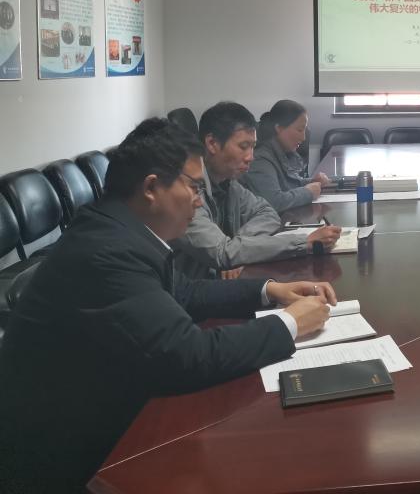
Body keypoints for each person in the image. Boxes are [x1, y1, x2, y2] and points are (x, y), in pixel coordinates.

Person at [0, 118, 336, 493]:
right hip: (66, 462)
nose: (199, 200)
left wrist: (270, 290)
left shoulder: (121, 230)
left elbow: (185, 293)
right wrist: (289, 323)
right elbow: (188, 355)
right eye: (194, 187)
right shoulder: (106, 253)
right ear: (151, 188)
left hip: (106, 413)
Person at [176, 101, 340, 278]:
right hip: (194, 290)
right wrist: (304, 242)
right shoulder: (187, 192)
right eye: (243, 147)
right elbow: (222, 253)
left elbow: (267, 212)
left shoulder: (228, 183)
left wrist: (240, 248)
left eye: (252, 147)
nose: (250, 157)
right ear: (212, 143)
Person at [243, 99, 331, 212]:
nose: (303, 138)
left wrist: (313, 181)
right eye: (300, 130)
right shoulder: (260, 159)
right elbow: (273, 202)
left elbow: (288, 184)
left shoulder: (282, 151)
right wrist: (308, 193)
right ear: (279, 128)